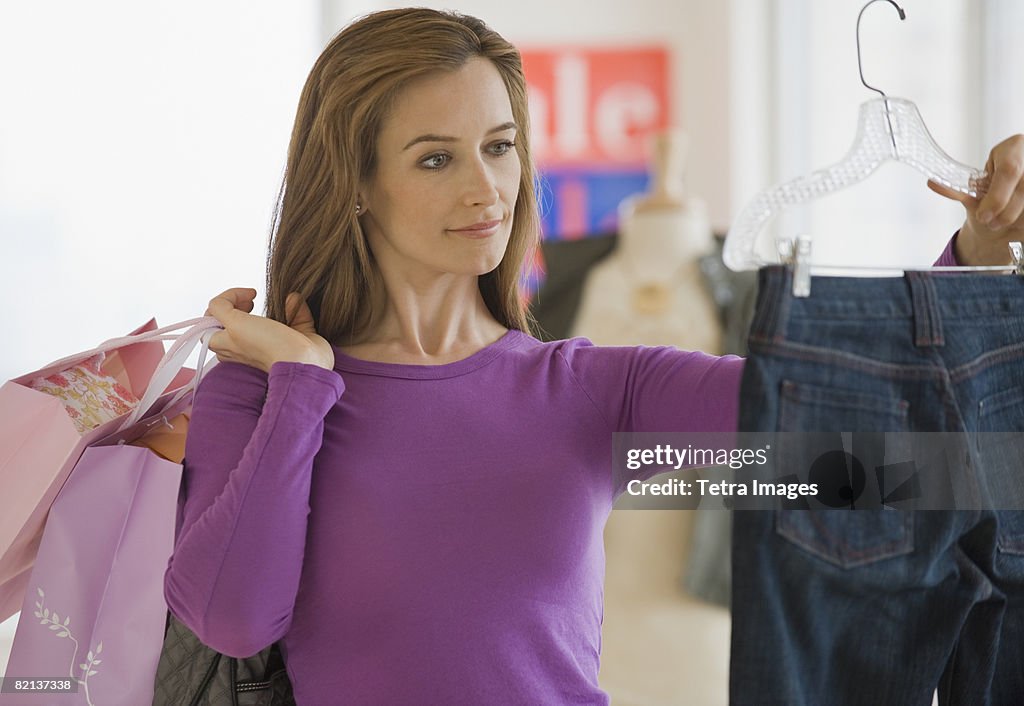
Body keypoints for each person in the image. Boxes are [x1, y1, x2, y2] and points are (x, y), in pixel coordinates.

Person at [162, 7, 1024, 705]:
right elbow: (235, 618)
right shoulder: (264, 391)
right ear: (351, 181)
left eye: (500, 147)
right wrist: (305, 386)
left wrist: (977, 260)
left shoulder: (594, 393)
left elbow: (857, 437)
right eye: (436, 158)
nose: (486, 190)